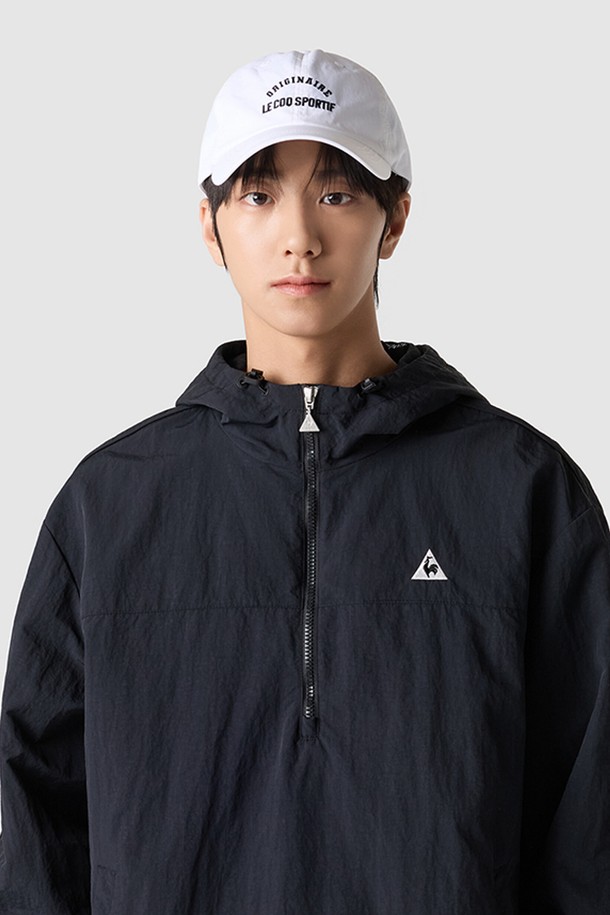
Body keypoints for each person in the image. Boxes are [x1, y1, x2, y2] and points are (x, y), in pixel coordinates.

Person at [0, 47, 608, 914]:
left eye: (337, 194)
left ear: (395, 218)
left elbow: (589, 830)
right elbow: (35, 824)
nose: (299, 236)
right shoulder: (109, 506)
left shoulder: (522, 491)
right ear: (209, 226)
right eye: (258, 195)